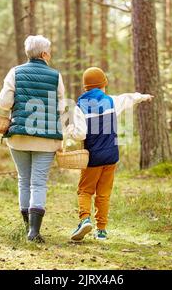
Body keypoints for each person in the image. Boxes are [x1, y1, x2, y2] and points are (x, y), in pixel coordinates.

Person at [65, 67, 152, 241]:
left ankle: (84, 220)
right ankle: (102, 230)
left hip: (93, 157)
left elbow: (81, 134)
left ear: (86, 88)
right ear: (103, 85)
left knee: (85, 190)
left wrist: (71, 131)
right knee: (104, 193)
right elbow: (128, 98)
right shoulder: (111, 101)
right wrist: (143, 97)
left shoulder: (81, 106)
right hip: (111, 156)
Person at [0, 35, 65, 243]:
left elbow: (5, 103)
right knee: (38, 183)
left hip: (18, 137)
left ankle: (27, 227)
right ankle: (34, 232)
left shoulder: (15, 72)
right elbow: (61, 107)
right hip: (46, 139)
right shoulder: (55, 76)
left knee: (24, 181)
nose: (50, 54)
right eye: (49, 51)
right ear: (44, 54)